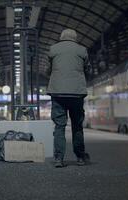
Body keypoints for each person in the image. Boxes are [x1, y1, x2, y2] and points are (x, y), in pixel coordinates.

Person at [47, 29, 91, 168]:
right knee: (77, 126)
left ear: (61, 37)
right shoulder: (82, 50)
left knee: (59, 127)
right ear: (75, 38)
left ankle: (59, 159)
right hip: (76, 93)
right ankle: (80, 158)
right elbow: (87, 69)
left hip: (58, 93)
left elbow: (50, 68)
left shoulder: (53, 49)